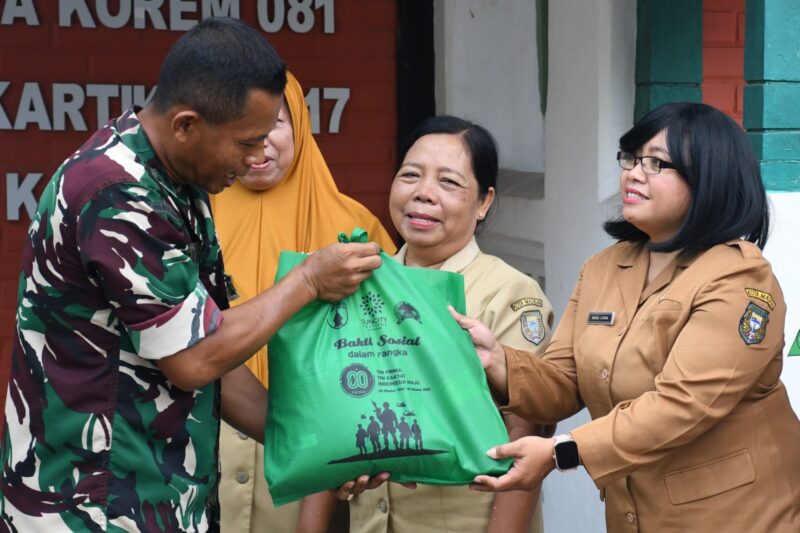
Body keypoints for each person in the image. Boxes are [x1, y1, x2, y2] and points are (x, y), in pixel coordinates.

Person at [0, 18, 385, 532]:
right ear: (186, 125)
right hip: (93, 508)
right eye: (246, 142)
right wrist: (309, 282)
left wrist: (311, 447)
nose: (256, 159)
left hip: (158, 497)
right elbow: (195, 359)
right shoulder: (118, 193)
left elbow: (212, 343)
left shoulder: (176, 178)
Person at [451, 102, 800, 532]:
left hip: (739, 518)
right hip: (634, 515)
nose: (634, 173)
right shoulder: (604, 267)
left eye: (657, 163)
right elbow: (564, 380)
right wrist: (496, 361)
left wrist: (564, 450)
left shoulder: (739, 276)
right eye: (631, 158)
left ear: (709, 179)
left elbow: (683, 405)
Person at [209, 70, 396, 533]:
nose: (259, 141)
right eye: (241, 125)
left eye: (274, 123)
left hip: (317, 453)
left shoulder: (354, 226)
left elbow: (388, 348)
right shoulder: (191, 214)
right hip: (202, 446)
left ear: (301, 124)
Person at [350, 116, 555, 533]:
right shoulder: (358, 281)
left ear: (483, 201)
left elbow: (524, 442)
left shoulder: (511, 293)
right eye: (410, 175)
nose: (423, 194)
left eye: (448, 182)